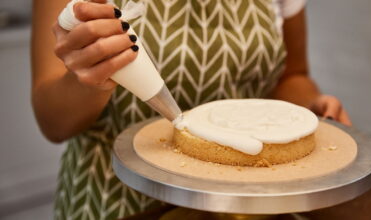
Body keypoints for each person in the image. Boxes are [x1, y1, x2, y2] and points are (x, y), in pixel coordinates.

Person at [31, 0, 352, 219]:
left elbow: (292, 74)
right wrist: (91, 78)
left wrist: (306, 111)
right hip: (118, 199)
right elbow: (53, 122)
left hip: (252, 199)